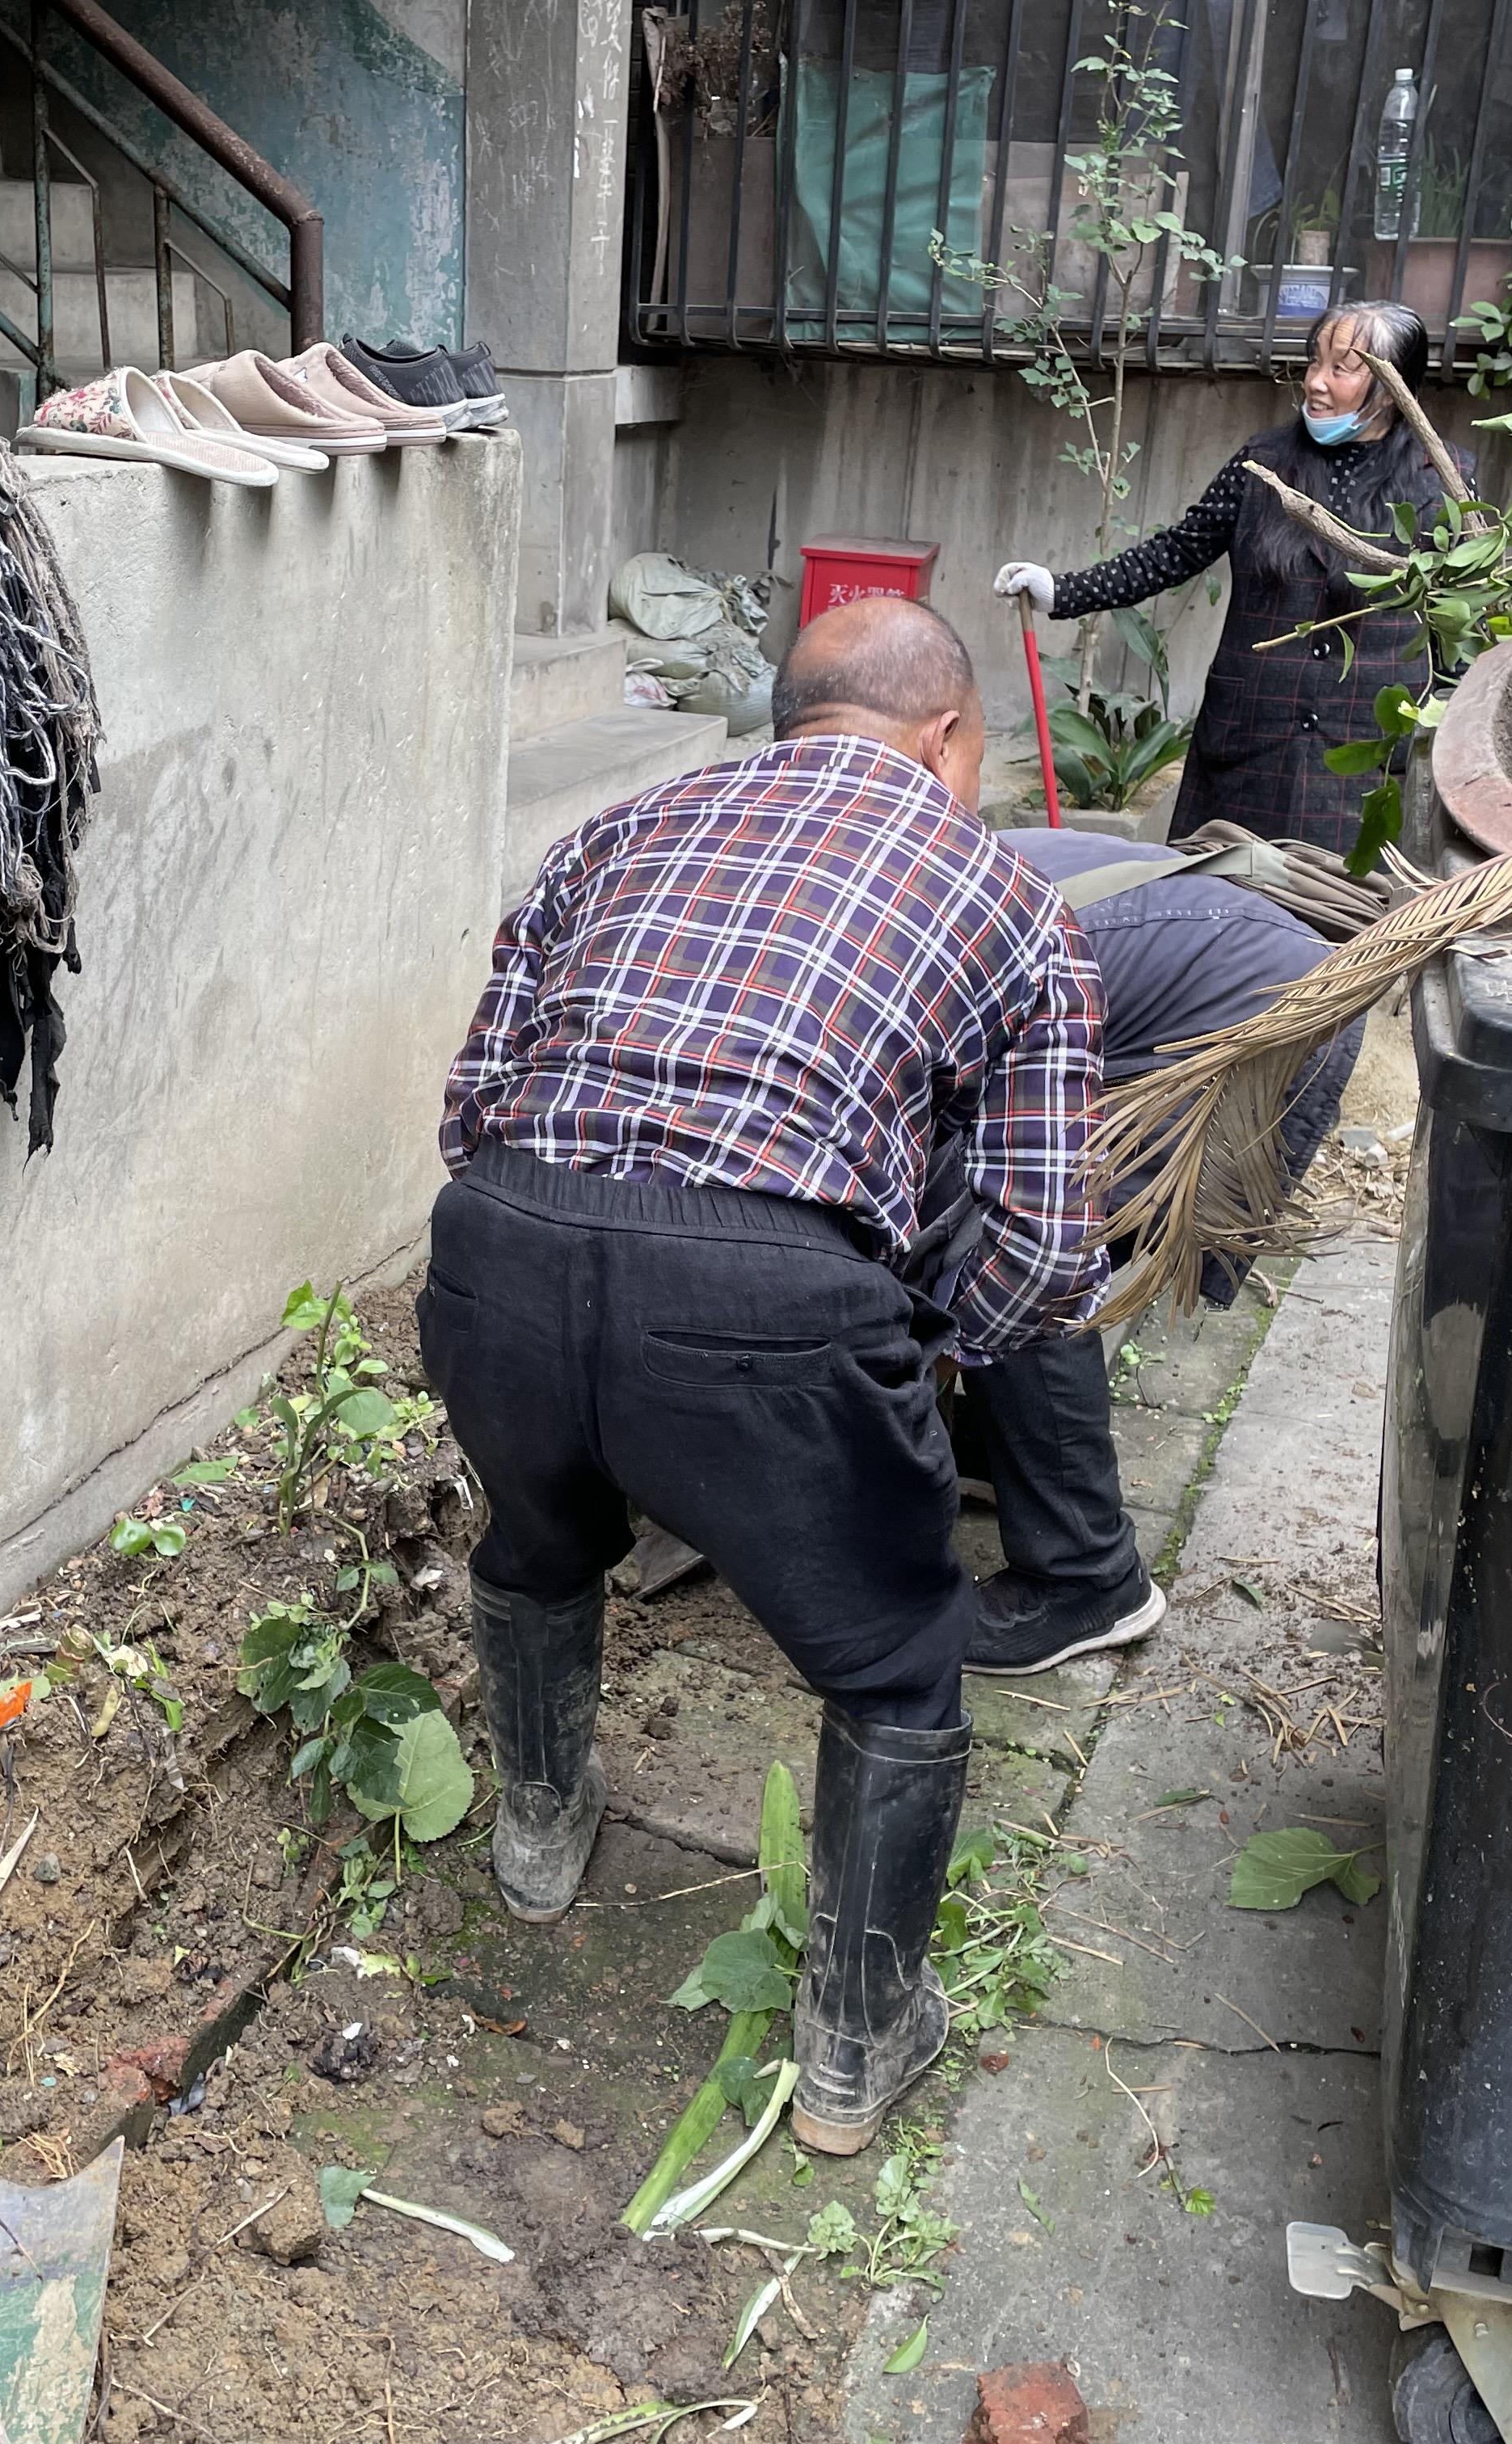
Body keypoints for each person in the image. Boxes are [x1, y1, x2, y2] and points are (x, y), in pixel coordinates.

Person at [423, 596, 1105, 2157]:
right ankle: (857, 2040)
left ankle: (537, 1839)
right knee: (892, 1658)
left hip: (499, 1242)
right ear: (948, 732)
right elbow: (1045, 1254)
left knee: (534, 1542)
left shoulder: (621, 824)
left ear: (793, 714)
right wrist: (902, 1348)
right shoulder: (1003, 900)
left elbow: (476, 1098)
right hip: (768, 1296)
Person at [944, 832, 1365, 1675]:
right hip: (1197, 967)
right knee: (998, 1228)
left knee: (1020, 1246)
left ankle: (1086, 1581)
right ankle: (1000, 1455)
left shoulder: (919, 963)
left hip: (1247, 1011)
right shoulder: (852, 916)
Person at [996, 300, 1445, 856]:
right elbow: (1176, 552)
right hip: (1249, 749)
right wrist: (1063, 590)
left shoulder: (1440, 484)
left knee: (1342, 919)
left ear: (1393, 385)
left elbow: (1457, 623)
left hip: (1361, 762)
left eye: (1340, 368)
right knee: (1219, 906)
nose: (1316, 383)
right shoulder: (1263, 463)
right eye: (1313, 363)